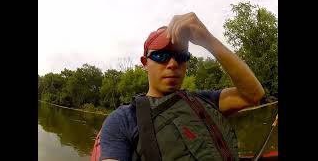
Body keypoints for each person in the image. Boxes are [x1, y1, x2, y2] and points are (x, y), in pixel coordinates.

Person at [94, 12, 265, 161]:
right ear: (145, 63)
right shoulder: (123, 119)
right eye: (162, 55)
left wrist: (208, 40)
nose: (173, 64)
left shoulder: (204, 100)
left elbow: (253, 95)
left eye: (181, 56)